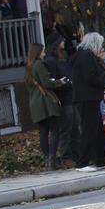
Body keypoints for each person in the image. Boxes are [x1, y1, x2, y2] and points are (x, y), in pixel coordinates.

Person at [70, 32, 105, 172]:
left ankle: (102, 160)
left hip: (89, 97)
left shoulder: (84, 55)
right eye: (99, 44)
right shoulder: (85, 56)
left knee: (98, 130)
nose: (100, 47)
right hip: (86, 98)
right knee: (89, 129)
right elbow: (90, 77)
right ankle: (82, 163)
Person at [24, 42, 67, 171]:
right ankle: (52, 159)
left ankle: (47, 158)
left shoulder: (28, 68)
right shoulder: (39, 65)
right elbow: (47, 83)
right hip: (45, 103)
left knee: (43, 132)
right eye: (42, 51)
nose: (44, 54)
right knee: (54, 131)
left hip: (34, 103)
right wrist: (60, 82)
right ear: (37, 52)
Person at [44, 33, 77, 161]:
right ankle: (65, 156)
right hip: (63, 100)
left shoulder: (63, 58)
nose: (63, 43)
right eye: (61, 41)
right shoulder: (51, 61)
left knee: (75, 129)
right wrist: (66, 84)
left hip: (71, 98)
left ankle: (76, 155)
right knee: (66, 130)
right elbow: (52, 81)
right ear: (56, 44)